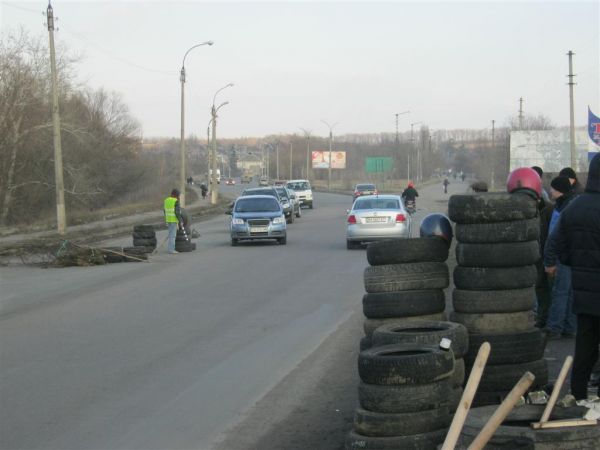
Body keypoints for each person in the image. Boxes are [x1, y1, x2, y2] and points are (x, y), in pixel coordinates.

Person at [544, 153, 600, 400]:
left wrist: (570, 262)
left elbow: (556, 242)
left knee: (585, 345)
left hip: (584, 290)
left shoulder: (574, 206)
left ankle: (578, 395)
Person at [542, 176, 577, 338]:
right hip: (575, 256)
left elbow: (554, 237)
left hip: (563, 255)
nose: (550, 190)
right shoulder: (573, 204)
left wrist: (549, 260)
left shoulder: (564, 208)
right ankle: (570, 328)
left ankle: (554, 327)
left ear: (560, 190)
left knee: (560, 292)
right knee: (570, 293)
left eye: (553, 188)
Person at [164, 188, 183, 254]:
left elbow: (164, 211)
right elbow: (177, 212)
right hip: (173, 220)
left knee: (170, 235)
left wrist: (166, 219)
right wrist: (180, 221)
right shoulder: (175, 201)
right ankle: (171, 250)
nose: (178, 197)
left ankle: (170, 249)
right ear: (176, 195)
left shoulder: (166, 200)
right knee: (173, 236)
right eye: (178, 195)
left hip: (168, 220)